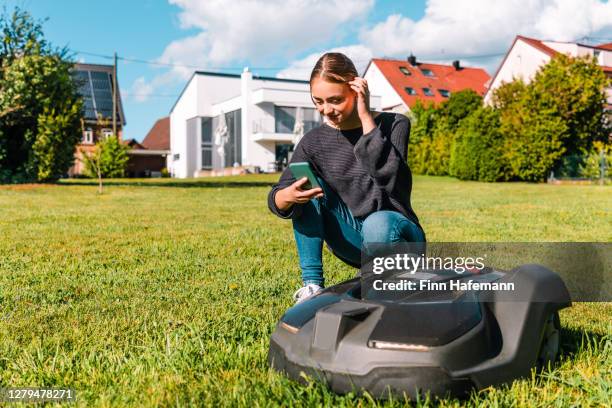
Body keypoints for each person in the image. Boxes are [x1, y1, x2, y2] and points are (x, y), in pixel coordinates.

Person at [267, 52, 426, 303]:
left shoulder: (395, 123)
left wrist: (365, 118)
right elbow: (279, 194)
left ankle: (390, 280)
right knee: (308, 190)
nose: (326, 110)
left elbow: (392, 181)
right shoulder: (312, 142)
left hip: (398, 237)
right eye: (318, 101)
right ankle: (312, 287)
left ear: (356, 88)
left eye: (335, 100)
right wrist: (286, 196)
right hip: (353, 241)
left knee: (378, 224)